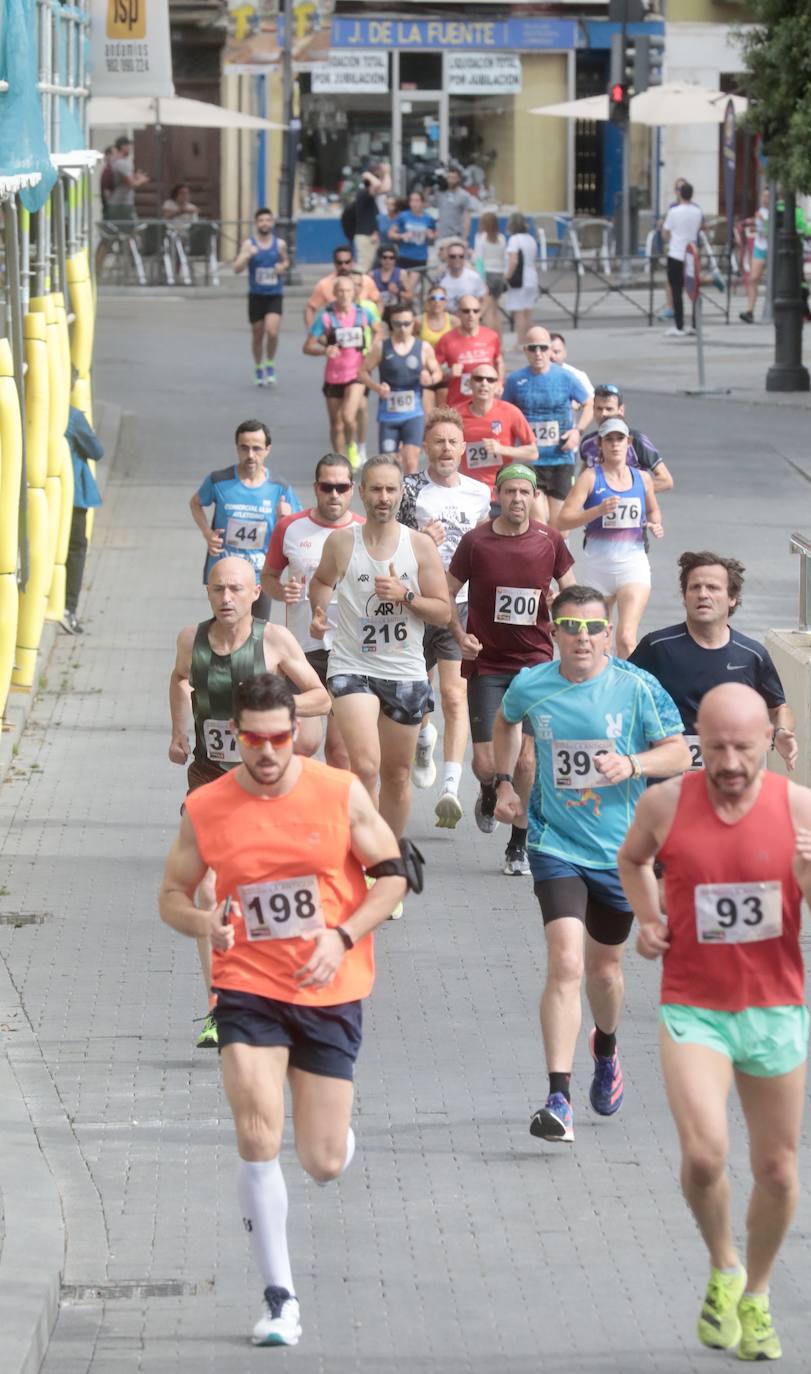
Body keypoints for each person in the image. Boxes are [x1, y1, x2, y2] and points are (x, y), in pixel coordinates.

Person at [160, 671, 407, 1346]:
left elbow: (393, 876)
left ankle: (334, 1138)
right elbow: (173, 895)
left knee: (322, 1161)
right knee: (257, 1132)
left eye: (279, 738)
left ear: (295, 732)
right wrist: (203, 926)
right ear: (235, 734)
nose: (267, 753)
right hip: (247, 986)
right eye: (253, 740)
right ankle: (280, 1300)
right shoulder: (208, 807)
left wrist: (343, 933)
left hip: (331, 987)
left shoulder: (337, 792)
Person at [617, 682, 811, 1362]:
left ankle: (755, 1292)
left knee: (777, 1172)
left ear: (768, 744)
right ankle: (722, 1264)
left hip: (775, 1010)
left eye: (742, 748)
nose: (728, 762)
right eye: (715, 747)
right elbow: (632, 860)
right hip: (694, 1007)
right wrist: (649, 918)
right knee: (704, 1156)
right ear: (698, 738)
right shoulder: (665, 802)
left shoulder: (802, 810)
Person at [492, 585, 689, 1141]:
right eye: (570, 627)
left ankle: (606, 1046)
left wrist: (632, 763)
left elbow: (677, 751)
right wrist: (503, 782)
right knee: (566, 964)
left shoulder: (636, 686)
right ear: (552, 631)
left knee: (604, 971)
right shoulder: (532, 684)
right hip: (555, 844)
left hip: (621, 855)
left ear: (608, 633)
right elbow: (506, 720)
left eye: (593, 628)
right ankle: (558, 1097)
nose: (582, 638)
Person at [168, 563, 329, 1047]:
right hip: (210, 781)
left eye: (236, 588)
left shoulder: (275, 640)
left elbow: (321, 696)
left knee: (269, 891)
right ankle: (219, 1003)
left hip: (266, 782)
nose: (226, 597)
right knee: (207, 890)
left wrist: (271, 717)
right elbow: (179, 680)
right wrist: (179, 731)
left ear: (255, 591)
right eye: (218, 588)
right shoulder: (189, 639)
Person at [308, 456, 451, 844]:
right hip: (351, 664)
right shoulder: (341, 543)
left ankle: (387, 859)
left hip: (404, 670)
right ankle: (365, 854)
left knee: (397, 775)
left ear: (400, 493)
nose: (383, 497)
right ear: (362, 493)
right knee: (366, 766)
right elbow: (320, 581)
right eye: (376, 489)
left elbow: (443, 610)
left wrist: (406, 596)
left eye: (391, 489)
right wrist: (320, 612)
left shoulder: (419, 547)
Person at [446, 463, 576, 875]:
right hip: (487, 661)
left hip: (535, 663)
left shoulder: (550, 540)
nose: (517, 499)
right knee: (485, 763)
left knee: (526, 760)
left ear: (535, 496)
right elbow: (446, 593)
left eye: (525, 492)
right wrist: (458, 632)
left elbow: (573, 591)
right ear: (498, 497)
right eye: (510, 492)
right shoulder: (476, 542)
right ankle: (489, 789)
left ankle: (518, 842)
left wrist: (563, 615)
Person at [398, 408, 491, 827]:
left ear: (464, 448)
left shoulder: (479, 493)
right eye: (438, 441)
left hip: (463, 604)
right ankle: (422, 736)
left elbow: (489, 547)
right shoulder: (409, 490)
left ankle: (451, 787)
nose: (446, 449)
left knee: (456, 697)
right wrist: (419, 540)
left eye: (453, 441)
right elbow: (389, 545)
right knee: (416, 694)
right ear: (426, 447)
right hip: (416, 603)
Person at [629, 551, 799, 773]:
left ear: (732, 598)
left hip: (730, 777)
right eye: (695, 587)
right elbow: (622, 692)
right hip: (669, 781)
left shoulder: (752, 655)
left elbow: (778, 708)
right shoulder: (657, 647)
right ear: (684, 596)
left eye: (713, 588)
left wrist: (782, 731)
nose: (703, 594)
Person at [261, 454, 365, 770]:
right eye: (327, 487)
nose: (334, 494)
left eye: (341, 487)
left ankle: (335, 815)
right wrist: (282, 591)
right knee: (303, 743)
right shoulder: (290, 527)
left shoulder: (364, 531)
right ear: (315, 488)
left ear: (352, 489)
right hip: (301, 651)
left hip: (351, 651)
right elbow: (267, 579)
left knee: (341, 753)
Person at [556, 418, 663, 659]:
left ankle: (627, 691)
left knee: (626, 638)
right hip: (598, 569)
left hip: (632, 567)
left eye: (620, 439)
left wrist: (655, 524)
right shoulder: (590, 478)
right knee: (598, 641)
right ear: (600, 444)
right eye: (609, 439)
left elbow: (654, 510)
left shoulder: (643, 478)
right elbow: (563, 520)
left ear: (629, 443)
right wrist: (597, 511)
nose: (615, 444)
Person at [190, 419, 300, 622]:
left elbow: (298, 527)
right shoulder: (219, 480)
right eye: (244, 448)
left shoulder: (280, 487)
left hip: (260, 575)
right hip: (224, 574)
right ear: (237, 448)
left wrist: (285, 518)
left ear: (268, 449)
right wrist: (207, 533)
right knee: (224, 632)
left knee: (257, 635)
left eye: (257, 449)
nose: (250, 455)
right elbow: (196, 503)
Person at [502, 325, 593, 526]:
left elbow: (589, 404)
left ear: (550, 350)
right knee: (539, 521)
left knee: (560, 524)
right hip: (531, 460)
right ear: (525, 350)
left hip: (561, 457)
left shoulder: (566, 377)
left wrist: (577, 432)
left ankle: (557, 556)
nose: (538, 353)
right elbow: (505, 413)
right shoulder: (515, 380)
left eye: (543, 348)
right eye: (532, 348)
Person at [305, 275, 378, 468]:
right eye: (340, 291)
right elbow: (307, 346)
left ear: (354, 293)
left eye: (348, 291)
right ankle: (339, 461)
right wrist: (324, 350)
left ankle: (352, 446)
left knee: (348, 416)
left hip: (357, 374)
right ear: (334, 294)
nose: (344, 295)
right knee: (336, 424)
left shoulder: (363, 314)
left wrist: (373, 348)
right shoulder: (326, 317)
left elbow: (379, 331)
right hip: (334, 375)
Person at [359, 306, 440, 475]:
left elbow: (437, 372)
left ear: (413, 324)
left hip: (413, 415)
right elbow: (362, 372)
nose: (402, 328)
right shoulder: (382, 347)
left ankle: (410, 500)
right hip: (389, 416)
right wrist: (377, 387)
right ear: (390, 324)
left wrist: (430, 379)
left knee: (411, 462)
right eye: (397, 324)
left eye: (406, 323)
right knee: (387, 465)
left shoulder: (423, 347)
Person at [456, 363, 538, 496]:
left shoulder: (510, 412)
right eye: (478, 379)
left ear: (498, 385)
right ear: (469, 383)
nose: (484, 383)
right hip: (468, 490)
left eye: (490, 380)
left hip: (500, 490)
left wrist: (501, 449)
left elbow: (533, 452)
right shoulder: (457, 414)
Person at [233, 208, 290, 387]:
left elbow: (286, 260)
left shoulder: (279, 244)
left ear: (272, 223)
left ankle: (270, 363)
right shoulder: (249, 244)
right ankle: (258, 366)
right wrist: (248, 256)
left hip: (274, 294)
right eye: (261, 221)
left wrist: (283, 266)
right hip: (256, 296)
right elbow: (237, 268)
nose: (265, 223)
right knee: (257, 335)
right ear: (256, 223)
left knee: (272, 331)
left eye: (268, 220)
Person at [579, 384, 673, 492]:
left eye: (609, 409)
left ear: (621, 410)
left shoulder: (637, 440)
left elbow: (665, 480)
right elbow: (581, 484)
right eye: (599, 409)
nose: (603, 414)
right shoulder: (587, 443)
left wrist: (628, 492)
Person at [62, 401, 104, 636]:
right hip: (73, 497)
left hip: (46, 496)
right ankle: (69, 608)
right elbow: (96, 450)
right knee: (75, 550)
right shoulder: (73, 416)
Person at [435, 295, 504, 408]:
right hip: (459, 404)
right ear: (458, 313)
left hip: (487, 404)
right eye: (466, 311)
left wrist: (500, 382)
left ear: (480, 313)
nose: (471, 315)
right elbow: (434, 369)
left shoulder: (491, 336)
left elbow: (499, 361)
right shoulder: (446, 339)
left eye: (475, 311)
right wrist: (448, 373)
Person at [95, 135, 149, 276]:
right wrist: (141, 180)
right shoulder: (122, 163)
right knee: (128, 236)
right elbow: (131, 183)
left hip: (117, 205)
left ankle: (99, 267)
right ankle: (133, 269)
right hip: (122, 206)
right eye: (129, 146)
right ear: (124, 146)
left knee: (111, 238)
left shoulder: (116, 163)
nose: (131, 149)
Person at [662, 181, 704, 339]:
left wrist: (669, 237)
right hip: (692, 254)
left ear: (680, 193)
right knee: (694, 289)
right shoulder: (697, 211)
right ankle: (695, 324)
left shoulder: (674, 211)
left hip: (676, 253)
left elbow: (665, 233)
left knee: (676, 290)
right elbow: (699, 228)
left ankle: (679, 326)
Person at [304, 246, 380, 331]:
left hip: (364, 338)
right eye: (339, 263)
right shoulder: (324, 284)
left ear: (352, 262)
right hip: (335, 337)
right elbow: (310, 308)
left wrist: (377, 323)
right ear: (334, 263)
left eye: (347, 262)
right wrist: (313, 332)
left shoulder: (365, 281)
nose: (343, 266)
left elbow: (379, 301)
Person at [504, 212, 539, 349]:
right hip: (532, 277)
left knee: (518, 312)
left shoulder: (514, 240)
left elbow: (514, 260)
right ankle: (532, 340)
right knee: (528, 311)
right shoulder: (530, 239)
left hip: (520, 279)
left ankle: (520, 341)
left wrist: (507, 276)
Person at [388, 190, 436, 276]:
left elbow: (434, 235)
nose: (414, 204)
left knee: (417, 286)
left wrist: (430, 235)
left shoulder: (428, 218)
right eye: (412, 201)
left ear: (422, 202)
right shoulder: (403, 216)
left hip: (420, 257)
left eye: (417, 201)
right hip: (404, 255)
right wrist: (402, 236)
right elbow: (391, 233)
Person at [472, 210, 506, 330]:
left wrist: (480, 280)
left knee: (487, 312)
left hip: (487, 274)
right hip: (499, 275)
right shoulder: (501, 238)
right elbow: (504, 258)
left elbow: (479, 260)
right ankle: (499, 342)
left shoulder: (481, 238)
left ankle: (491, 340)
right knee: (496, 311)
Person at [739, 189, 769, 325]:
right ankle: (750, 311)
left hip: (772, 248)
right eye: (763, 196)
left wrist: (762, 221)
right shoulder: (760, 211)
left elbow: (773, 230)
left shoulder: (775, 212)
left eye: (768, 196)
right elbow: (760, 229)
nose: (765, 199)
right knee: (753, 278)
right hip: (760, 246)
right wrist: (754, 228)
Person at [431, 166, 472, 259]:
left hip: (455, 236)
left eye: (454, 178)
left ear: (458, 179)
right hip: (441, 236)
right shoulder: (440, 193)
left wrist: (464, 239)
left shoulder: (464, 195)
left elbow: (467, 218)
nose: (451, 181)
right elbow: (430, 204)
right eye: (449, 178)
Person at [436, 243, 487, 314]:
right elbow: (436, 302)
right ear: (447, 258)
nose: (457, 259)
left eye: (461, 256)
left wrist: (478, 316)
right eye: (453, 256)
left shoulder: (474, 277)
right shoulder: (440, 280)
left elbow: (483, 298)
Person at [351, 165, 383, 273]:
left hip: (370, 235)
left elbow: (385, 186)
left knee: (371, 268)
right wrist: (367, 174)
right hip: (365, 236)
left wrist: (386, 173)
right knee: (364, 267)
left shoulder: (372, 197)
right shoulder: (363, 193)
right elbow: (377, 184)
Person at [369, 246, 414, 311]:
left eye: (391, 258)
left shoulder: (401, 273)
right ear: (379, 259)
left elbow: (410, 296)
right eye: (384, 257)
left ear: (395, 259)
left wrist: (398, 292)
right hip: (378, 310)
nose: (388, 260)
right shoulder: (372, 275)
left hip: (396, 310)